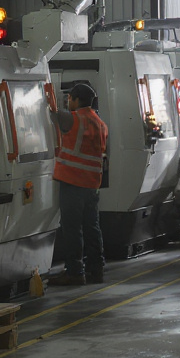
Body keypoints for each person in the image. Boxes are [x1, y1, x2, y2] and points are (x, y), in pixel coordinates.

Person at [49, 82, 108, 286]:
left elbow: (49, 113)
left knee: (72, 228)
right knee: (92, 227)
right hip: (92, 184)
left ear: (74, 99)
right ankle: (96, 270)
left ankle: (75, 272)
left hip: (73, 181)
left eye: (69, 98)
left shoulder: (72, 118)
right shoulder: (100, 123)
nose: (68, 101)